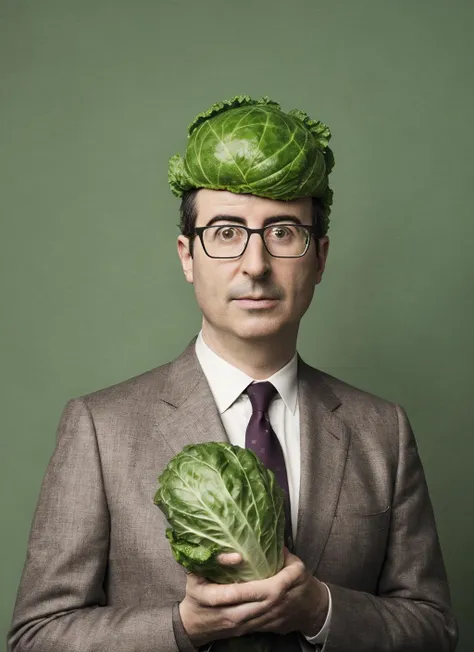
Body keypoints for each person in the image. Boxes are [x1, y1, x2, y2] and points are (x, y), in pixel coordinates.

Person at [7, 95, 458, 652]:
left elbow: (434, 629)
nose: (255, 264)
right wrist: (184, 627)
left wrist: (322, 610)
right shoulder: (100, 428)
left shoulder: (382, 430)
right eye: (225, 232)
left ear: (319, 257)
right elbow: (36, 636)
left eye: (282, 232)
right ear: (186, 256)